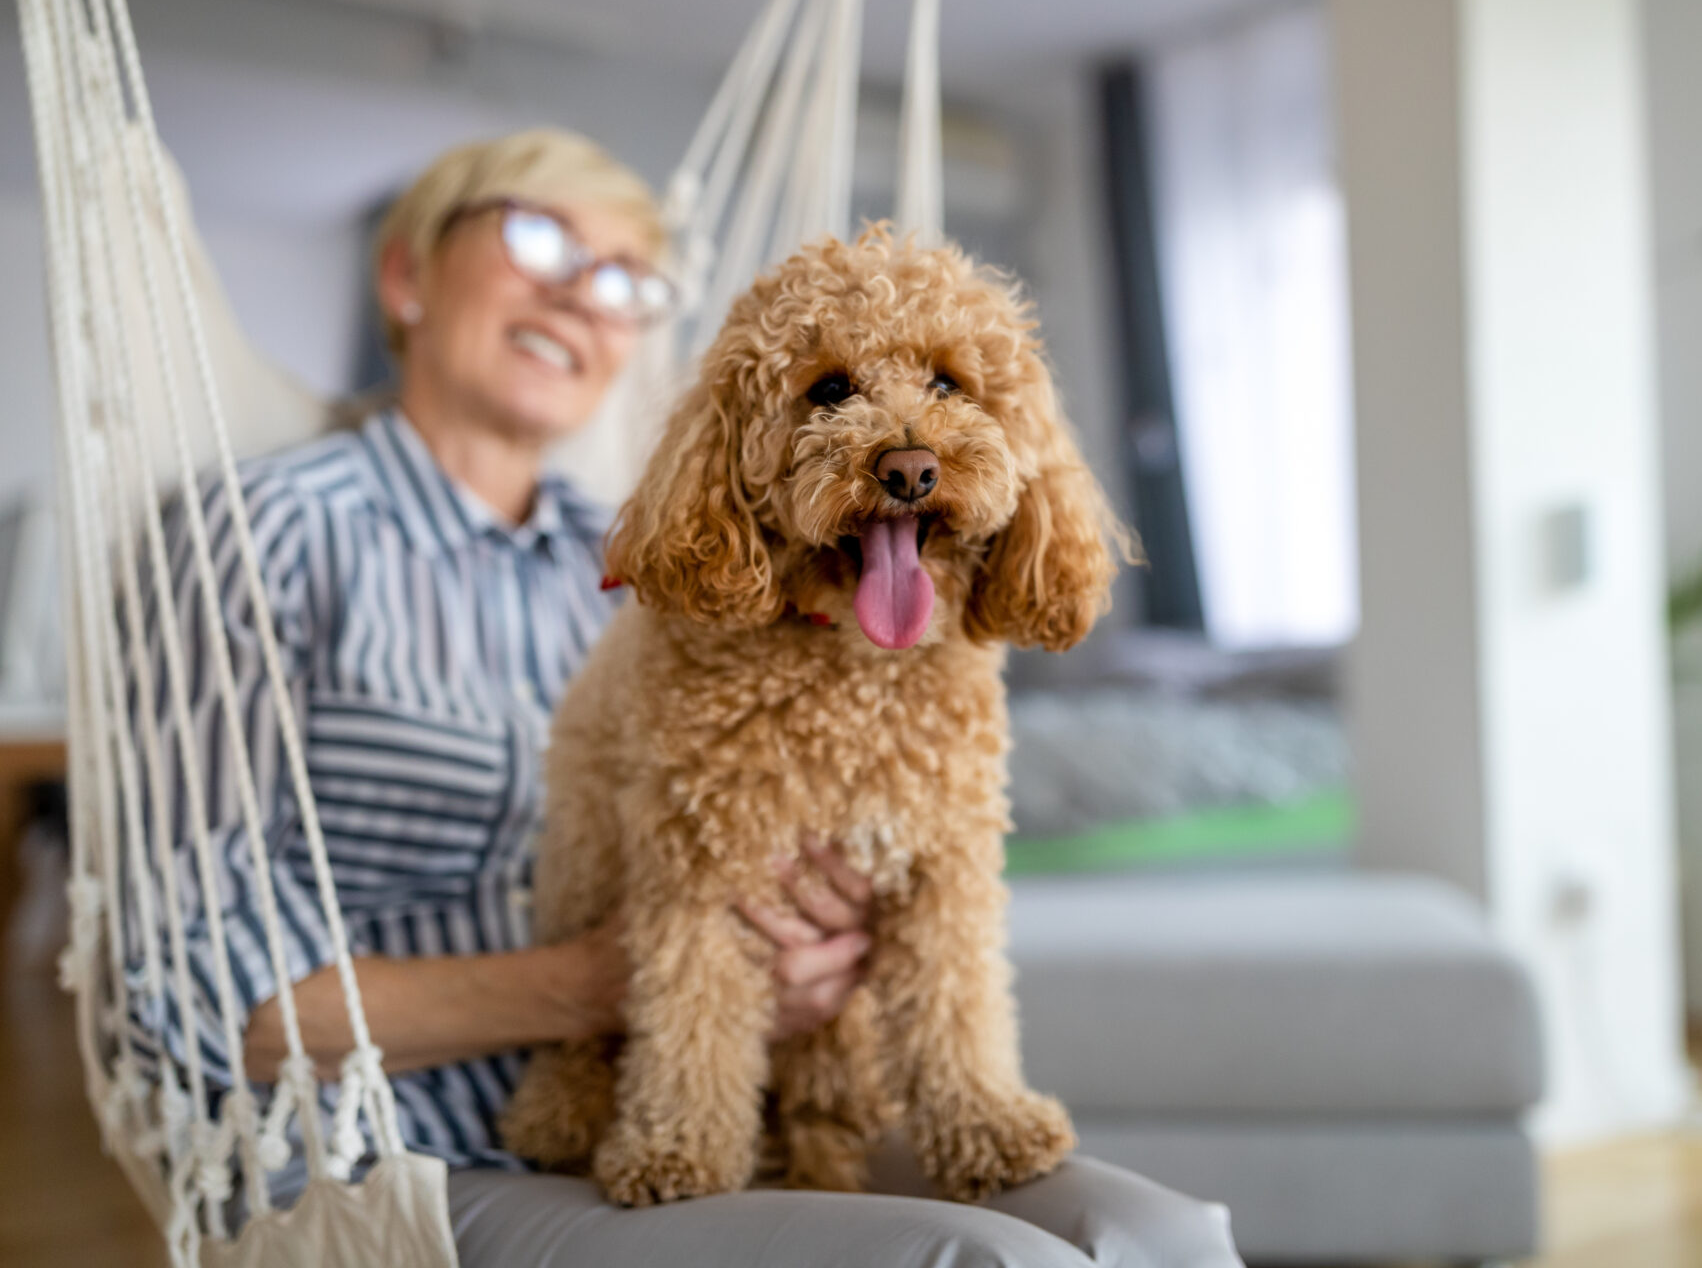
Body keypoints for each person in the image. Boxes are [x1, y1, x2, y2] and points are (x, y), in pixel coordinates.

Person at [137, 127, 1242, 1267]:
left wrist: (824, 962)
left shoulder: (605, 549)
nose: (583, 292)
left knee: (1155, 1235)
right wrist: (590, 989)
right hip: (407, 1151)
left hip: (780, 1095)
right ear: (405, 273)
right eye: (538, 238)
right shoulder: (269, 532)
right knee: (992, 1263)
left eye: (627, 279)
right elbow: (189, 989)